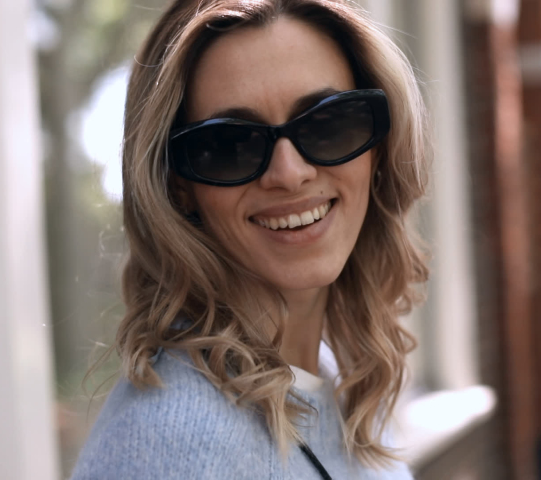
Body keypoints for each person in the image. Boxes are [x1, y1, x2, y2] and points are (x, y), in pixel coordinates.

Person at [71, 0, 430, 478]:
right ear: (178, 186)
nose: (290, 173)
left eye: (327, 123)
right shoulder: (173, 441)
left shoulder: (338, 377)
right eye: (230, 145)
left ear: (378, 148)